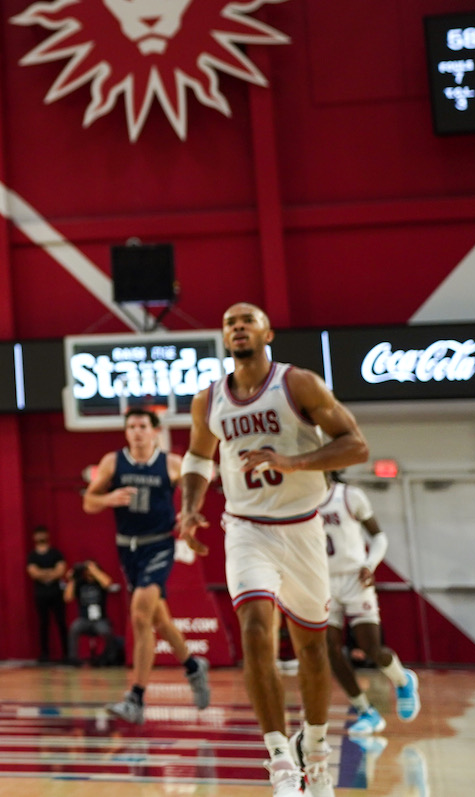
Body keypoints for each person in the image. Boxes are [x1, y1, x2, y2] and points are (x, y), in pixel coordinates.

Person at [179, 303, 367, 797]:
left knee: (311, 647)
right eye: (228, 322)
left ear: (268, 332)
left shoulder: (298, 384)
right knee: (256, 630)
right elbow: (199, 456)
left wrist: (294, 461)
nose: (237, 327)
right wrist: (191, 505)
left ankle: (318, 752)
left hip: (302, 528)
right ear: (223, 337)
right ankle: (280, 758)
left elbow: (356, 445)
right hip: (245, 528)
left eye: (247, 319)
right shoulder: (209, 399)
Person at [84, 408, 210, 721]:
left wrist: (190, 512)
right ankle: (194, 667)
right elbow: (89, 502)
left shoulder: (171, 463)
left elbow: (199, 481)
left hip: (159, 545)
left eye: (142, 426)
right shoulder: (113, 462)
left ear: (155, 431)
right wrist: (109, 499)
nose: (136, 431)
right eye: (131, 426)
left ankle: (136, 699)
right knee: (160, 621)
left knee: (140, 615)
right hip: (128, 548)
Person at [319, 471, 419, 732]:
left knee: (371, 647)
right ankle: (366, 711)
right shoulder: (301, 501)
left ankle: (402, 680)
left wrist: (370, 564)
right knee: (329, 650)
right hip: (323, 581)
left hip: (355, 577)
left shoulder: (349, 496)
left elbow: (379, 537)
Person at [66, 560, 124, 666]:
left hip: (100, 619)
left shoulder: (99, 583)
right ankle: (73, 659)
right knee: (74, 628)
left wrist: (94, 570)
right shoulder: (80, 583)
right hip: (84, 619)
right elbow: (67, 598)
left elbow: (107, 583)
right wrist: (72, 579)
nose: (88, 572)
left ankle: (111, 657)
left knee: (106, 631)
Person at [26, 528, 70, 663]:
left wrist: (43, 573)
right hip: (41, 594)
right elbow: (33, 573)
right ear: (34, 537)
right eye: (37, 534)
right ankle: (44, 653)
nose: (40, 536)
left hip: (56, 593)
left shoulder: (56, 553)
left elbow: (61, 571)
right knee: (43, 623)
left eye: (42, 533)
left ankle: (67, 653)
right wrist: (51, 573)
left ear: (47, 535)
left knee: (61, 622)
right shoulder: (32, 556)